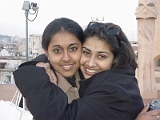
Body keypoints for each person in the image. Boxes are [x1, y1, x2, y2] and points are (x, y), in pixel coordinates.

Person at [14, 20, 146, 120]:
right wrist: (35, 65)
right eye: (86, 53)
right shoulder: (83, 76)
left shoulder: (112, 89)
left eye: (73, 49)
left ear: (115, 59)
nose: (90, 62)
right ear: (47, 53)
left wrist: (31, 73)